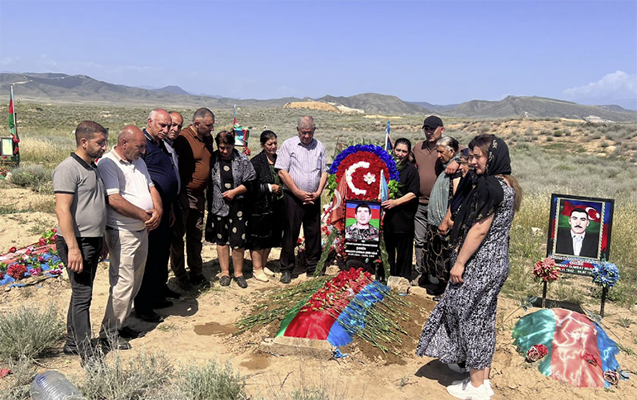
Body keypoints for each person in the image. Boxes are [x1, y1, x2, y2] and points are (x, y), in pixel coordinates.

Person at [416, 134, 522, 400]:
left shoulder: (490, 187)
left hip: (480, 264)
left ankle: (475, 386)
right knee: (483, 320)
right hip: (496, 263)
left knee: (471, 321)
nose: (472, 161)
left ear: (492, 158)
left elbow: (479, 230)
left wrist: (460, 263)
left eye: (478, 157)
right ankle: (481, 379)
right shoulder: (506, 185)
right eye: (471, 156)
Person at [97, 126, 162, 350]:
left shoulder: (139, 162)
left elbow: (151, 188)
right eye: (139, 146)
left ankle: (120, 323)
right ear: (124, 143)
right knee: (123, 283)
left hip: (142, 230)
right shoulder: (108, 164)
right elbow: (114, 200)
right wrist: (145, 216)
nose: (143, 151)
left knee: (135, 280)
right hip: (122, 232)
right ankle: (109, 333)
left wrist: (158, 209)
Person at [53, 121, 108, 363]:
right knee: (83, 295)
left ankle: (72, 342)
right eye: (100, 143)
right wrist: (73, 248)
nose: (104, 147)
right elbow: (62, 210)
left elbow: (93, 205)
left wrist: (102, 238)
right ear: (83, 142)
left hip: (92, 240)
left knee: (80, 294)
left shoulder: (92, 167)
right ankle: (88, 354)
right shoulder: (68, 169)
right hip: (77, 242)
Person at [134, 109, 180, 323]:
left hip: (166, 209)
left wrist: (170, 207)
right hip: (151, 212)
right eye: (162, 125)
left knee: (162, 255)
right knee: (149, 258)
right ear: (150, 122)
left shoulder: (161, 144)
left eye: (169, 125)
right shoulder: (142, 144)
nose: (166, 129)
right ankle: (144, 305)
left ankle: (158, 293)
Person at [275, 116, 328, 284]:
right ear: (298, 130)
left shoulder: (319, 146)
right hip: (293, 196)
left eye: (310, 132)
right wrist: (297, 192)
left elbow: (324, 171)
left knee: (314, 232)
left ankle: (313, 267)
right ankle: (286, 268)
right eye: (304, 132)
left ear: (314, 130)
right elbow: (282, 171)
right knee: (290, 232)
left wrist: (318, 192)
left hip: (313, 196)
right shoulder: (288, 145)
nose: (307, 136)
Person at [205, 131, 256, 288]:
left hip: (238, 206)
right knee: (221, 239)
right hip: (218, 206)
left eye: (228, 147)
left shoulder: (241, 159)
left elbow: (251, 182)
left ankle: (238, 273)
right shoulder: (213, 158)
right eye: (221, 147)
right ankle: (225, 272)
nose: (224, 151)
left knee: (238, 240)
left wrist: (234, 192)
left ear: (233, 145)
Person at [170, 108, 215, 289]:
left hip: (199, 195)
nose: (212, 128)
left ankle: (196, 271)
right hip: (184, 194)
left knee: (196, 234)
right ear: (197, 124)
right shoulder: (183, 138)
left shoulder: (208, 139)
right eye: (209, 125)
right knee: (178, 236)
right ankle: (180, 274)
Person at [423, 136, 462, 300]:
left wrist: (447, 220)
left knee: (446, 257)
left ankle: (448, 290)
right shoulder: (447, 167)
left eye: (441, 152)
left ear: (452, 151)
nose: (438, 155)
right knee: (438, 255)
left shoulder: (456, 171)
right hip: (435, 221)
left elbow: (456, 198)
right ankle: (441, 284)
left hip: (445, 222)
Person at [246, 130, 284, 282]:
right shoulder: (256, 162)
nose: (273, 146)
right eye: (270, 144)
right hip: (259, 207)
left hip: (276, 206)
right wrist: (269, 187)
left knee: (271, 236)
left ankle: (263, 264)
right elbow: (251, 185)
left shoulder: (279, 160)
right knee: (258, 238)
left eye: (275, 143)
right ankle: (256, 269)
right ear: (262, 145)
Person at [412, 115, 445, 285]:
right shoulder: (418, 147)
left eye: (433, 128)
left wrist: (457, 162)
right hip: (419, 203)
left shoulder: (447, 146)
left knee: (437, 241)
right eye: (427, 129)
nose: (429, 132)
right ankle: (421, 272)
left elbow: (465, 156)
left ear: (442, 130)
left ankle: (438, 275)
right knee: (419, 241)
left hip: (439, 205)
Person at [382, 138, 420, 280]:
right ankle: (387, 275)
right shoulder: (386, 167)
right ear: (393, 150)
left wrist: (395, 202)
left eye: (404, 151)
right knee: (388, 248)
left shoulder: (411, 170)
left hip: (403, 216)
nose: (400, 154)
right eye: (398, 150)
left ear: (408, 153)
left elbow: (413, 193)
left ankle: (403, 278)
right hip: (387, 217)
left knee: (404, 250)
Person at [165, 111, 183, 194]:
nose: (176, 129)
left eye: (179, 127)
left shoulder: (176, 144)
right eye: (173, 125)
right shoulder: (156, 145)